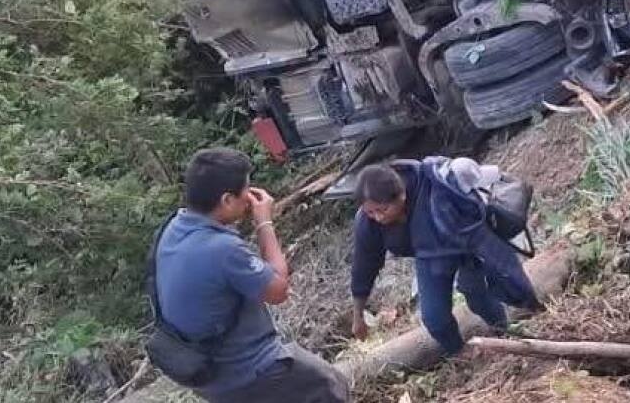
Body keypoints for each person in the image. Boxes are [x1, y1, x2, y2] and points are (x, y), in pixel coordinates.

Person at [154, 148, 348, 403]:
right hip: (245, 371)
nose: (249, 197)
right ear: (226, 200)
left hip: (203, 373)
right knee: (329, 384)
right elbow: (279, 291)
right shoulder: (222, 249)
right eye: (245, 190)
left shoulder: (173, 228)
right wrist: (264, 223)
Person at [350, 157, 541, 356]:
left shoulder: (439, 189)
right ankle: (461, 354)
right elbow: (364, 266)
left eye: (382, 210)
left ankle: (506, 333)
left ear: (402, 195)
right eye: (370, 213)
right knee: (434, 318)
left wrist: (525, 295)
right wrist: (358, 317)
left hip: (466, 245)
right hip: (430, 257)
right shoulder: (368, 223)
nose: (378, 218)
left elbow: (492, 249)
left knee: (477, 296)